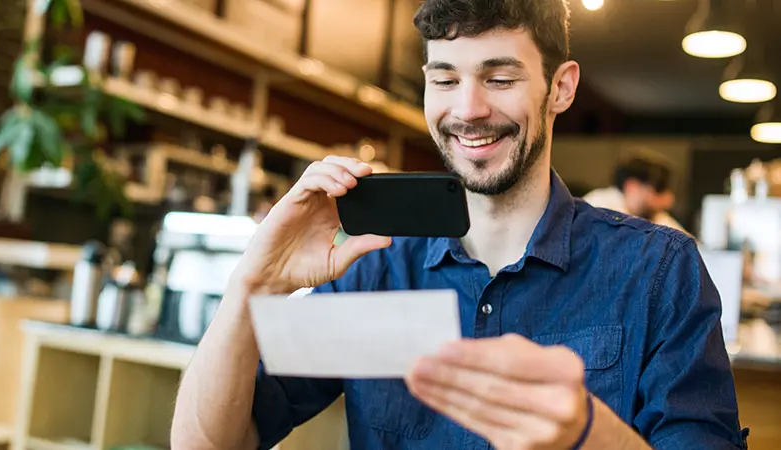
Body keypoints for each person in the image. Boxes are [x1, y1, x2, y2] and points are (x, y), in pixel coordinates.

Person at [171, 0, 745, 449]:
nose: (467, 109)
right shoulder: (377, 269)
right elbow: (210, 443)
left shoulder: (657, 272)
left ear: (561, 88)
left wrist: (588, 435)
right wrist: (252, 283)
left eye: (499, 78)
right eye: (444, 80)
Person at [583, 153, 687, 232]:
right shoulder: (598, 207)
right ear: (632, 186)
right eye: (659, 189)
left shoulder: (654, 215)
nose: (669, 200)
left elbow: (690, 247)